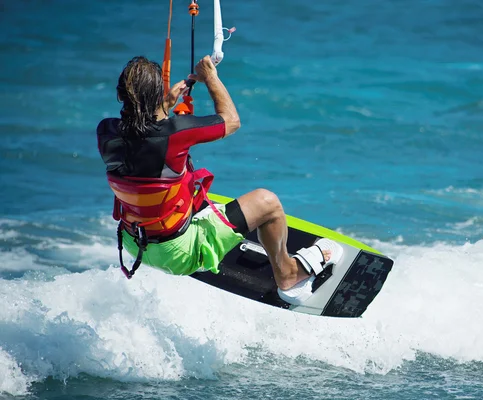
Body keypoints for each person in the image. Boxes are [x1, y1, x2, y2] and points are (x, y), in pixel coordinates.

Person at [97, 55, 342, 301]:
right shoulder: (176, 131)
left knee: (166, 184)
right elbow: (231, 121)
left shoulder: (106, 132)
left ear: (121, 96)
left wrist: (163, 107)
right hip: (178, 253)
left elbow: (144, 142)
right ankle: (288, 274)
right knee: (268, 203)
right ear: (155, 96)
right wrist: (210, 77)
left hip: (134, 243)